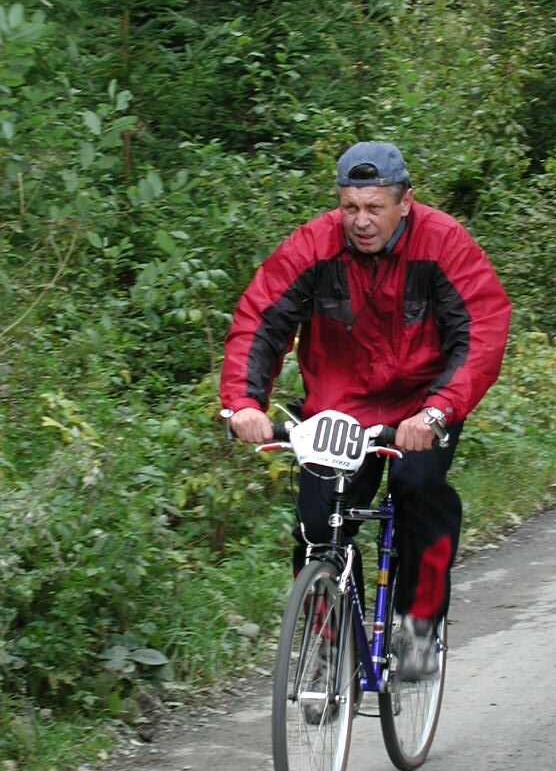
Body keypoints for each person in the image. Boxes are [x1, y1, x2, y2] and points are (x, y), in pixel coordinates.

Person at [219, 140, 511, 679]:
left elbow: (481, 331)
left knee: (419, 489)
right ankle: (329, 646)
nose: (361, 221)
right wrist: (243, 402)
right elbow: (261, 320)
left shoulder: (443, 242)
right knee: (317, 525)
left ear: (406, 202)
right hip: (339, 407)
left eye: (375, 207)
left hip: (421, 406)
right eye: (350, 207)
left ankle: (421, 621)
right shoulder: (314, 244)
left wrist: (438, 411)